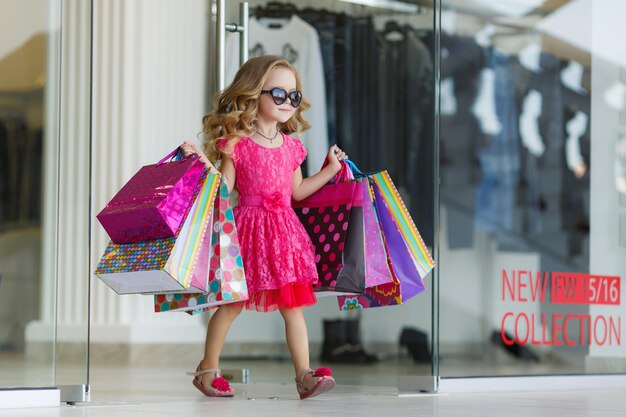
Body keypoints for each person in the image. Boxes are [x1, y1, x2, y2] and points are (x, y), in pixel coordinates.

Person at [180, 55, 347, 399]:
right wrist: (199, 164)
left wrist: (330, 171)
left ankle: (304, 375)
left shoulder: (292, 147)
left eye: (294, 96)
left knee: (293, 306)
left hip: (283, 236)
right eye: (279, 94)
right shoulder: (237, 143)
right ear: (255, 94)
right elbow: (223, 192)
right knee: (231, 304)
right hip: (246, 235)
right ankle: (207, 369)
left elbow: (297, 192)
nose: (288, 102)